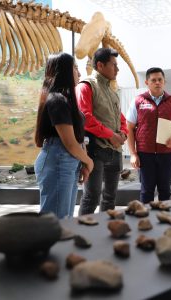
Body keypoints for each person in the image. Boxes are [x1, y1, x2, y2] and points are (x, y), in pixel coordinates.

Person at [34, 52, 94, 219]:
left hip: (68, 160)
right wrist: (89, 161)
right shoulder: (57, 100)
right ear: (64, 72)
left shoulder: (65, 99)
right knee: (56, 220)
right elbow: (69, 143)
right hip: (59, 158)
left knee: (64, 218)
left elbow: (76, 139)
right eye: (75, 68)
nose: (79, 73)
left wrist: (83, 160)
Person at [76, 48, 128, 215]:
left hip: (115, 152)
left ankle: (106, 232)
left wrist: (124, 133)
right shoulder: (86, 86)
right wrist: (111, 135)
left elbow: (121, 118)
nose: (117, 69)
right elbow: (86, 118)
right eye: (114, 65)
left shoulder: (112, 92)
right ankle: (84, 234)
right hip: (95, 151)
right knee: (91, 197)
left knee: (110, 198)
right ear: (100, 65)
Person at [126, 67, 171, 203]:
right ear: (147, 82)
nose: (157, 82)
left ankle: (164, 221)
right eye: (153, 80)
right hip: (145, 155)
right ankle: (145, 221)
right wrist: (133, 153)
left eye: (160, 79)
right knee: (146, 191)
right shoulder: (138, 101)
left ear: (164, 81)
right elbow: (129, 128)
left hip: (167, 155)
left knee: (165, 190)